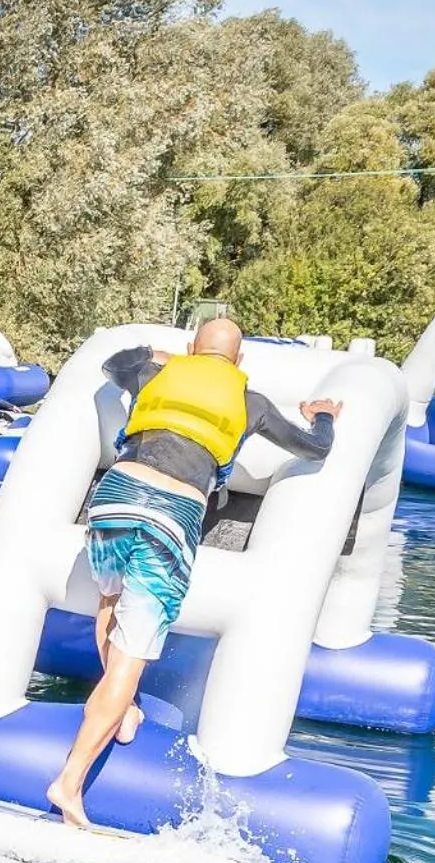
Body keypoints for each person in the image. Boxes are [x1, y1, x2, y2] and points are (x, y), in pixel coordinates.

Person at [44, 318, 342, 828]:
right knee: (132, 655)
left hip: (116, 495)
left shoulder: (154, 374)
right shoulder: (252, 403)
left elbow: (112, 363)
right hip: (172, 510)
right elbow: (314, 449)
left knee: (110, 600)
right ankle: (70, 781)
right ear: (239, 362)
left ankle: (125, 706)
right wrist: (323, 417)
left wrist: (152, 354)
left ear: (190, 350)